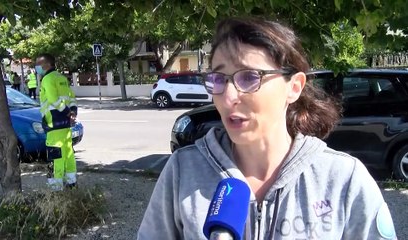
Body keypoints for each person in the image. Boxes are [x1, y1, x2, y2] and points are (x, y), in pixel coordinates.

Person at [137, 17, 397, 239]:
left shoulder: (343, 179)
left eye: (249, 77)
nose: (228, 97)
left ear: (293, 87)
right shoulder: (183, 171)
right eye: (218, 78)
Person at [35, 53, 78, 191]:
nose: (36, 67)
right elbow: (71, 98)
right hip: (65, 125)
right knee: (68, 154)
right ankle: (71, 184)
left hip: (53, 124)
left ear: (46, 65)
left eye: (38, 64)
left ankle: (55, 190)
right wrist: (72, 113)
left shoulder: (47, 79)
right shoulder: (62, 78)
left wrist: (66, 112)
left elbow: (54, 100)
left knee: (55, 157)